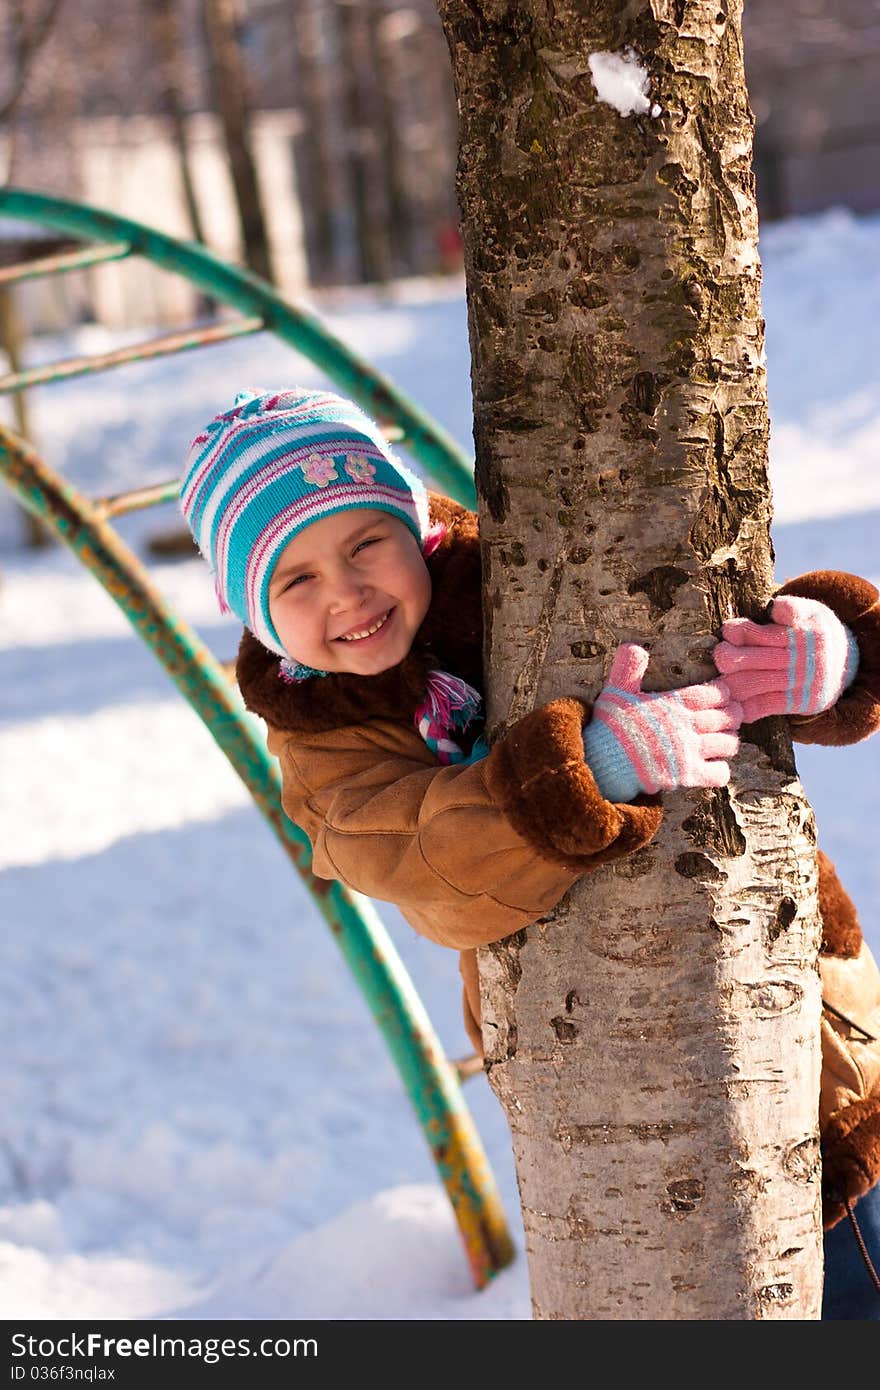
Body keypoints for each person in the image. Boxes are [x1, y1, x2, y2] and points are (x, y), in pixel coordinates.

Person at [180, 385, 880, 1318]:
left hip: (801, 984)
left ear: (415, 522)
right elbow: (417, 859)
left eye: (365, 544)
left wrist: (824, 658)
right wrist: (581, 774)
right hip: (597, 1061)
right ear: (255, 613)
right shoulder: (323, 740)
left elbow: (707, 619)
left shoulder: (537, 569)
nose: (346, 593)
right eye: (294, 580)